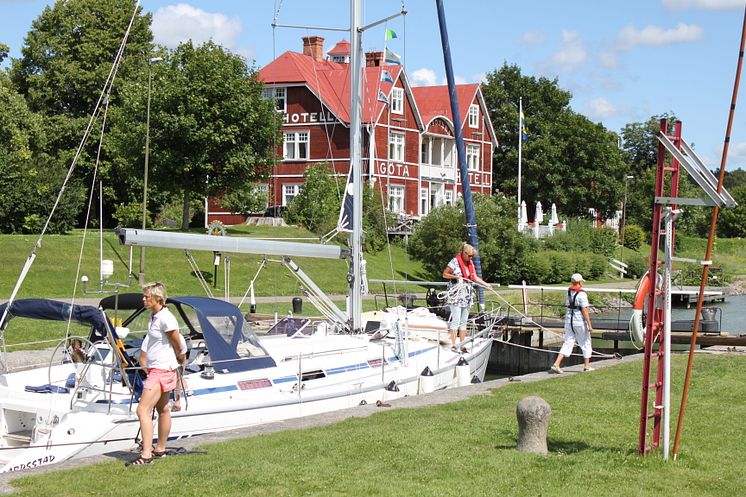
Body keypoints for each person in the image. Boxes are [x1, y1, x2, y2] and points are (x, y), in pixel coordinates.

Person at [129, 282, 186, 466]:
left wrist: (181, 357)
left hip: (161, 370)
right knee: (163, 409)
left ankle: (146, 455)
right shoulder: (155, 317)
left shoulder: (165, 319)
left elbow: (177, 341)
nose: (143, 299)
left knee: (142, 409)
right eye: (144, 296)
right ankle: (160, 449)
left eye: (147, 297)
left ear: (158, 299)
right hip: (161, 368)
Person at [442, 242, 492, 352]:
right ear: (464, 253)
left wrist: (486, 285)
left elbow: (474, 278)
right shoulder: (454, 262)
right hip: (456, 295)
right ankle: (454, 344)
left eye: (472, 256)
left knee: (464, 321)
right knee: (456, 320)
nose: (470, 258)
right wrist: (456, 276)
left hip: (467, 296)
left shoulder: (470, 264)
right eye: (469, 256)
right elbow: (445, 274)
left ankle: (462, 344)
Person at [550, 273, 594, 374]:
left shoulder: (569, 292)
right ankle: (587, 366)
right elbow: (584, 310)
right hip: (579, 321)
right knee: (586, 342)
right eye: (582, 281)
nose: (583, 283)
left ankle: (556, 364)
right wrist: (589, 324)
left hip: (569, 320)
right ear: (579, 282)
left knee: (568, 342)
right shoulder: (582, 294)